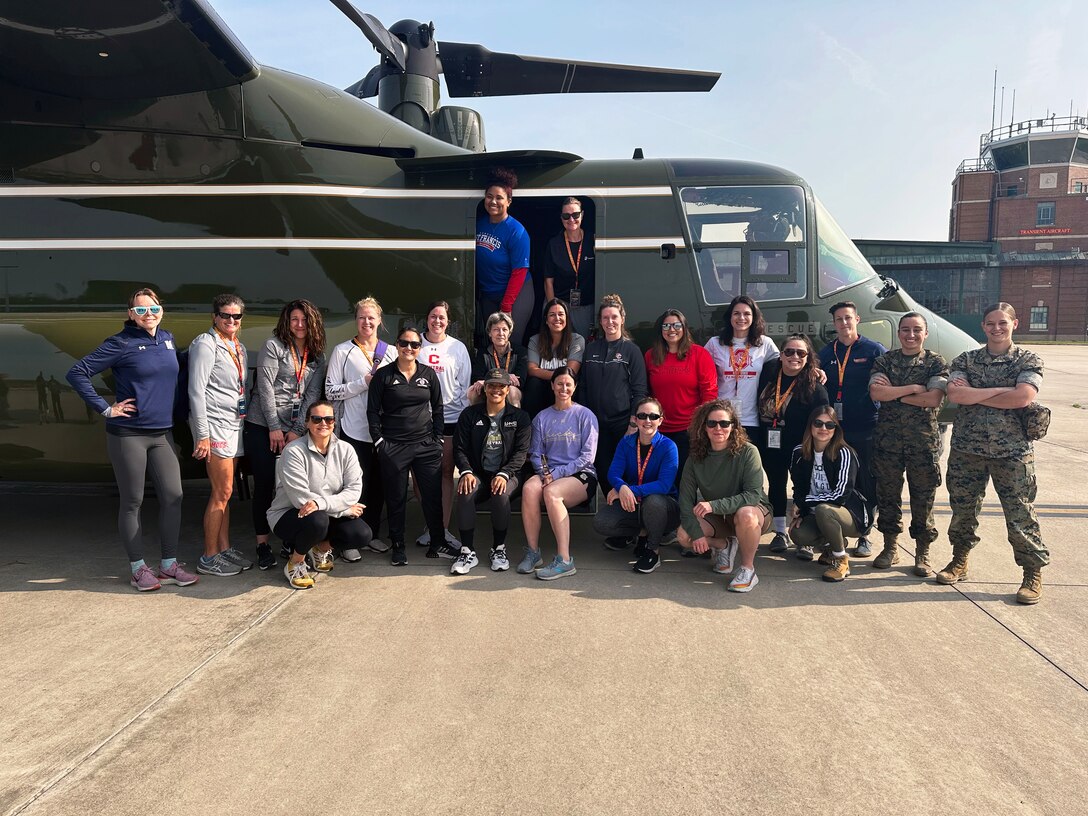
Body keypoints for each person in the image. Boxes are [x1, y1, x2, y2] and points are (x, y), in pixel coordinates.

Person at [66, 288, 195, 592]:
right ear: (130, 314)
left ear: (161, 310)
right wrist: (105, 408)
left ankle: (168, 565)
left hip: (162, 433)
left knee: (174, 497)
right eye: (140, 310)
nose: (148, 314)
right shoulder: (120, 343)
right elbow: (77, 372)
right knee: (133, 501)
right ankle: (138, 568)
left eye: (153, 308)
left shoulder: (167, 339)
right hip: (129, 434)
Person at [941, 303, 1047, 604]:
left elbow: (1024, 397)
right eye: (990, 323)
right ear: (983, 326)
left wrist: (979, 394)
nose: (996, 328)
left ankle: (1031, 572)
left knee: (1020, 514)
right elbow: (957, 395)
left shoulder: (1028, 358)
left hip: (1012, 451)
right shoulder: (966, 359)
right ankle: (959, 561)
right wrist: (1002, 390)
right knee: (963, 511)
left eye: (1002, 323)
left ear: (1015, 323)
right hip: (968, 449)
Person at [244, 299, 326, 570]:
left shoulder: (316, 355)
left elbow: (312, 395)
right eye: (294, 319)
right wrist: (274, 427)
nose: (299, 325)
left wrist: (295, 430)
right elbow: (265, 387)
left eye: (304, 320)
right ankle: (263, 544)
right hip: (263, 426)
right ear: (286, 321)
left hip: (293, 429)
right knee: (265, 485)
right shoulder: (274, 346)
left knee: (294, 486)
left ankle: (291, 541)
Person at [868, 313, 948, 575]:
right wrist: (914, 388)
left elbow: (933, 399)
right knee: (888, 496)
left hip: (922, 444)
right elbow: (877, 393)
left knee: (923, 499)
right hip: (888, 443)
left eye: (916, 330)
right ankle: (890, 547)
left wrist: (896, 395)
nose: (910, 335)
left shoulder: (935, 362)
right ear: (898, 332)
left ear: (925, 333)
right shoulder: (885, 360)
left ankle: (922, 552)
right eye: (905, 330)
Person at [367, 326, 448, 566]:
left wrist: (438, 439)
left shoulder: (428, 374)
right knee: (396, 499)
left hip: (425, 445)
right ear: (397, 346)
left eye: (414, 345)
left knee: (432, 498)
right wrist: (380, 441)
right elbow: (372, 411)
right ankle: (398, 545)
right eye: (404, 343)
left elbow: (439, 408)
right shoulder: (383, 376)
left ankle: (438, 542)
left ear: (420, 348)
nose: (409, 348)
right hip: (394, 447)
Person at [267, 400, 370, 590]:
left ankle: (321, 548)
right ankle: (295, 562)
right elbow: (302, 501)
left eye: (329, 419)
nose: (323, 423)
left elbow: (354, 490)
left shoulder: (346, 449)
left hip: (321, 512)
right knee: (318, 520)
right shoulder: (293, 451)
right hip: (289, 514)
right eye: (317, 419)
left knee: (362, 534)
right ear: (307, 423)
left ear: (334, 423)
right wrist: (343, 510)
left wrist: (323, 504)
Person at [325, 296, 397, 559]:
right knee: (354, 486)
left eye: (371, 317)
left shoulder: (391, 351)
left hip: (383, 432)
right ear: (355, 320)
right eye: (361, 317)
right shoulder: (343, 351)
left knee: (379, 486)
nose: (367, 322)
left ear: (379, 320)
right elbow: (330, 391)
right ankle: (348, 539)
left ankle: (372, 534)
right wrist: (362, 383)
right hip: (353, 431)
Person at [677, 400, 771, 592]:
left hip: (753, 512)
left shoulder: (748, 452)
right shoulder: (696, 456)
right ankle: (723, 545)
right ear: (704, 427)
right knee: (684, 536)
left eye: (724, 423)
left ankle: (747, 569)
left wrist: (713, 506)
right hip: (720, 516)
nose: (718, 428)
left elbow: (752, 496)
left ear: (733, 426)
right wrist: (697, 535)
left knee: (745, 514)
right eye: (712, 423)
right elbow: (685, 501)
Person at [817, 300, 885, 558]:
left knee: (865, 480)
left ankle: (865, 534)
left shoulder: (873, 350)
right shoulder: (826, 352)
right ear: (834, 324)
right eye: (839, 320)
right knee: (837, 479)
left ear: (857, 319)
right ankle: (837, 534)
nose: (843, 323)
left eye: (848, 318)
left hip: (866, 426)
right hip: (836, 430)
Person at [189, 294, 250, 577]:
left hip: (234, 424)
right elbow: (196, 391)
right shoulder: (205, 344)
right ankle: (208, 555)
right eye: (225, 315)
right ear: (215, 317)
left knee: (228, 491)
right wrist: (202, 435)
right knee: (221, 492)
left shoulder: (238, 346)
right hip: (214, 427)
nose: (231, 320)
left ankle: (223, 548)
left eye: (236, 316)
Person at [519, 367, 598, 580]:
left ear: (574, 387)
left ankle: (564, 560)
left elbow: (587, 457)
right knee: (528, 488)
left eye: (568, 384)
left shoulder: (585, 415)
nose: (564, 388)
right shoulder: (542, 418)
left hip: (580, 475)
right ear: (552, 385)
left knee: (552, 493)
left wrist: (556, 474)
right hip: (550, 473)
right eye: (560, 383)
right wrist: (545, 472)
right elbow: (536, 453)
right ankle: (533, 552)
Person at [451, 368, 531, 574]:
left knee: (500, 493)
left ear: (508, 389)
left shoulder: (520, 417)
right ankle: (467, 550)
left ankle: (498, 549)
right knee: (465, 490)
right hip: (479, 472)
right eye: (492, 385)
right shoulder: (469, 415)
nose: (496, 390)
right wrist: (466, 471)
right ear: (484, 389)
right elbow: (459, 448)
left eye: (501, 386)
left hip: (508, 473)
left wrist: (505, 473)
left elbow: (521, 453)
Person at [755, 333, 829, 554]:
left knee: (802, 487)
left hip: (801, 446)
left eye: (801, 353)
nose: (794, 356)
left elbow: (824, 418)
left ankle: (804, 535)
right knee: (776, 485)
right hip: (771, 443)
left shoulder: (815, 387)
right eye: (789, 352)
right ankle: (780, 532)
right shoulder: (769, 373)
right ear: (781, 355)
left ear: (808, 357)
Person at [593, 397, 679, 574]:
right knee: (601, 522)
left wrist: (628, 490)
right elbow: (614, 473)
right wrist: (621, 487)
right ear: (635, 419)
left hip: (662, 505)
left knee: (654, 501)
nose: (648, 421)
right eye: (642, 415)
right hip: (634, 503)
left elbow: (663, 485)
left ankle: (652, 551)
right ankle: (641, 533)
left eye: (653, 416)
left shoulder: (669, 447)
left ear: (660, 420)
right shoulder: (626, 442)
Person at [788, 405, 873, 582]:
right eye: (818, 423)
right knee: (797, 534)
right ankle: (830, 545)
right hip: (821, 512)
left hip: (851, 514)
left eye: (830, 425)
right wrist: (801, 511)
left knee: (824, 509)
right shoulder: (799, 452)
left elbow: (841, 496)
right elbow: (800, 488)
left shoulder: (844, 453)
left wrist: (803, 503)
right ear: (810, 426)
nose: (823, 429)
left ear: (836, 429)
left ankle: (840, 560)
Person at [416, 300, 472, 549]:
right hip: (419, 418)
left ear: (448, 322)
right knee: (420, 475)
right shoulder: (414, 343)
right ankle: (431, 524)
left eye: (442, 317)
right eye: (433, 316)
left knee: (446, 472)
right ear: (426, 319)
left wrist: (460, 416)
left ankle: (443, 529)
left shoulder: (457, 348)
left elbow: (465, 384)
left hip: (450, 418)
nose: (437, 321)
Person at [578, 294, 647, 495]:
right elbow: (582, 386)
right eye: (605, 318)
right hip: (596, 425)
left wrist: (633, 423)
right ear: (600, 321)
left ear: (622, 318)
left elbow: (640, 390)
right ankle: (613, 509)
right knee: (603, 469)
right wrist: (584, 418)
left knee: (628, 472)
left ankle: (631, 514)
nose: (610, 322)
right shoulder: (591, 349)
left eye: (614, 317)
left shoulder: (631, 351)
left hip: (622, 423)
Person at [644, 307, 717, 483]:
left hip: (689, 429)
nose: (671, 330)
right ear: (660, 330)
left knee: (684, 479)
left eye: (676, 325)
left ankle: (684, 511)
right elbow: (646, 392)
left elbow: (710, 391)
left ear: (684, 328)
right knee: (660, 477)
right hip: (658, 429)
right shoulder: (650, 356)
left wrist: (700, 425)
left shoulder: (699, 354)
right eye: (666, 326)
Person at [705, 295, 779, 439]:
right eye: (736, 313)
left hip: (750, 419)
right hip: (721, 419)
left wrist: (813, 369)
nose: (741, 318)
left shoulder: (764, 343)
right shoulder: (715, 344)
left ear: (754, 317)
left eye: (747, 314)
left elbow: (789, 363)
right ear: (730, 317)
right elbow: (697, 366)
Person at [475, 168, 533, 348]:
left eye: (499, 197)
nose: (493, 201)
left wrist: (507, 306)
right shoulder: (478, 225)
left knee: (510, 342)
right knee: (490, 342)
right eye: (489, 196)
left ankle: (514, 377)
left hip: (517, 293)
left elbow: (519, 271)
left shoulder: (517, 231)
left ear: (508, 201)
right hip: (489, 293)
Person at [542, 196, 595, 337]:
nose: (571, 220)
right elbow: (548, 282)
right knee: (557, 345)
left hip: (586, 305)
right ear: (561, 218)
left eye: (575, 215)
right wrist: (554, 309)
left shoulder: (593, 240)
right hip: (560, 302)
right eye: (566, 216)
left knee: (582, 345)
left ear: (582, 215)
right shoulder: (554, 244)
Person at [524, 297, 585, 416]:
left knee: (568, 384)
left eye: (561, 314)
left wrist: (556, 378)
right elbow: (532, 370)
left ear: (567, 319)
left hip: (565, 388)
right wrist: (557, 376)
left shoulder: (577, 339)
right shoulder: (535, 340)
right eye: (552, 315)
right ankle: (532, 426)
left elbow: (571, 371)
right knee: (533, 384)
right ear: (546, 320)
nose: (557, 318)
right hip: (542, 390)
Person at [468, 311, 527, 408]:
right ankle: (477, 421)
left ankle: (514, 421)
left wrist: (491, 380)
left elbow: (520, 379)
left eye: (504, 329)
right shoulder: (483, 352)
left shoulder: (520, 351)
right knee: (473, 390)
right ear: (489, 333)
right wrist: (506, 377)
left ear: (509, 333)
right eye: (496, 329)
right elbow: (477, 377)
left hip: (510, 390)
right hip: (489, 389)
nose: (501, 333)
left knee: (512, 391)